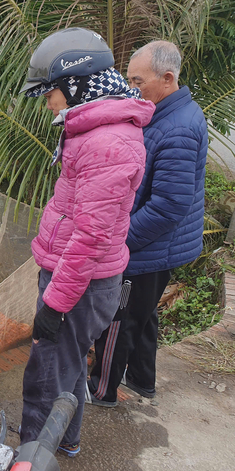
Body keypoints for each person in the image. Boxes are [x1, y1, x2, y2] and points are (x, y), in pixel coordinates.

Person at [18, 27, 156, 456]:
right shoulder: (95, 131)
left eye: (50, 93)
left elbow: (91, 236)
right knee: (68, 367)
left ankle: (34, 459)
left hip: (78, 283)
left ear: (75, 85)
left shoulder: (106, 143)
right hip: (78, 278)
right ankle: (66, 442)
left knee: (47, 376)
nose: (48, 103)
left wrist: (55, 305)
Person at [88, 41, 208, 406]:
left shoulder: (179, 129)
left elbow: (169, 206)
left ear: (167, 78)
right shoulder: (163, 114)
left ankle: (102, 391)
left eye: (137, 81)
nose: (130, 87)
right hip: (157, 247)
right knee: (143, 315)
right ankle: (143, 380)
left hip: (148, 247)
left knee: (117, 319)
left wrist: (120, 241)